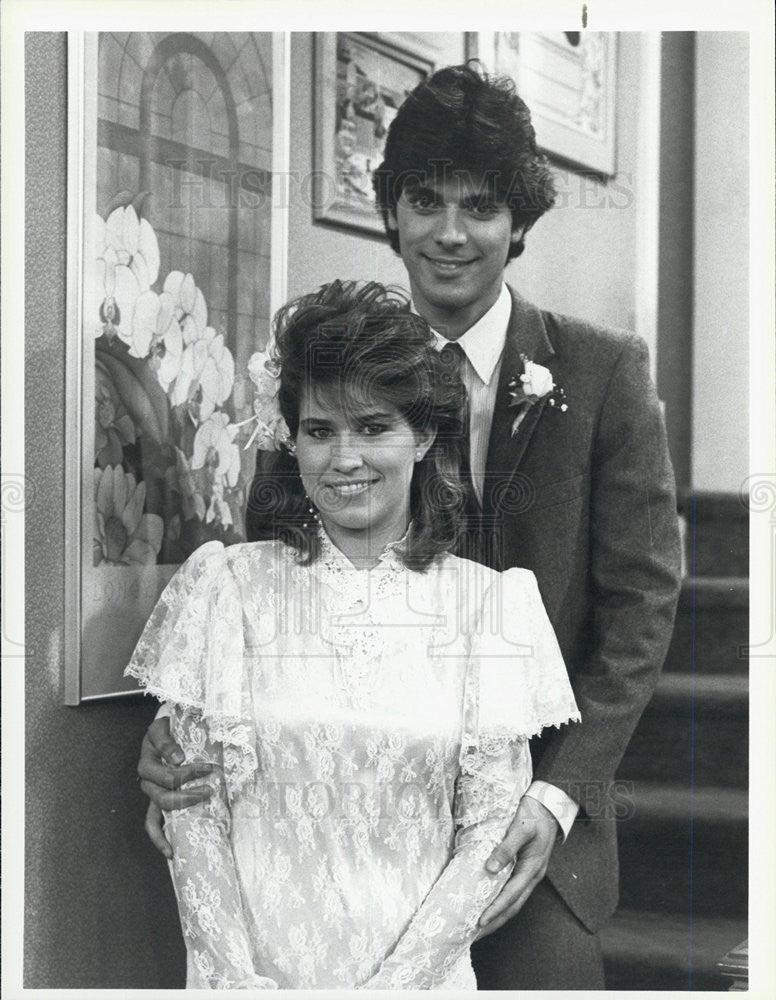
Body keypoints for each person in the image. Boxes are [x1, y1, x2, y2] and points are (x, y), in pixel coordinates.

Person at [138, 64, 682, 989]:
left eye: (479, 206)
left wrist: (552, 800)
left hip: (524, 829)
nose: (449, 234)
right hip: (336, 818)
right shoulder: (317, 376)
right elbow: (270, 592)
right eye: (423, 201)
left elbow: (641, 607)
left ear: (520, 222)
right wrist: (176, 742)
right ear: (390, 210)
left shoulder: (600, 374)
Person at [126, 280, 580, 989]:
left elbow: (487, 837)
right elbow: (191, 817)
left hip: (416, 983)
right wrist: (240, 985)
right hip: (246, 981)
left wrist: (389, 991)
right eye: (320, 430)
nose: (343, 459)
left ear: (424, 435)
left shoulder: (491, 608)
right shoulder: (226, 589)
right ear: (291, 436)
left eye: (373, 428)